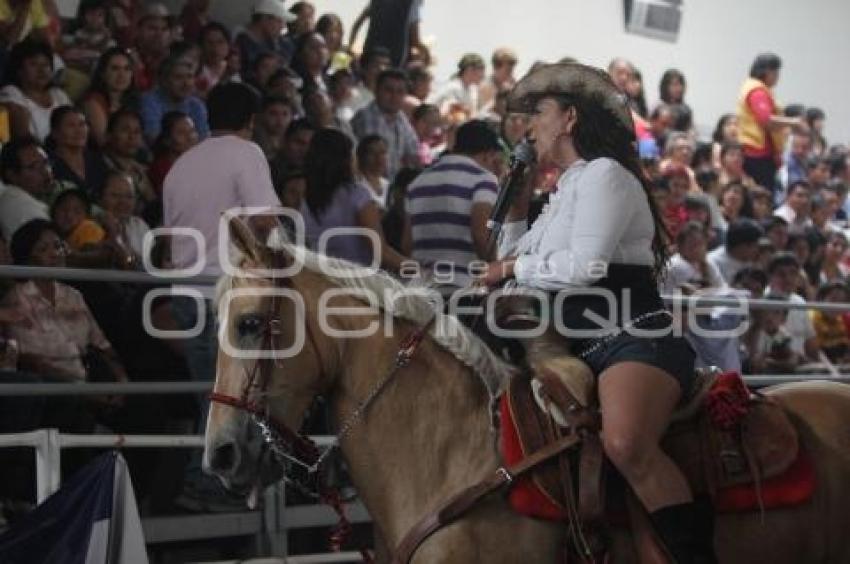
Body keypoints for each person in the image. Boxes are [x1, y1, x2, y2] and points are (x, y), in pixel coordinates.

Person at [481, 63, 715, 562]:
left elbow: (584, 267)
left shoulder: (606, 175)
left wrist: (510, 265)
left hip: (632, 338)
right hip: (577, 348)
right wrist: (519, 208)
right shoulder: (565, 188)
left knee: (627, 443)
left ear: (569, 118)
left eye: (537, 114)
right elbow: (520, 264)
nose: (528, 127)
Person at [163, 81, 281, 510]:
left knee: (210, 394)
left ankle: (213, 485)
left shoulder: (181, 165)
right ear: (251, 120)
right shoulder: (245, 153)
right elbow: (266, 222)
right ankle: (206, 484)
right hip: (227, 293)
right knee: (231, 394)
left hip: (185, 291)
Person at [405, 119, 501, 293]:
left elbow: (407, 243)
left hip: (420, 288)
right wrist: (495, 269)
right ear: (488, 154)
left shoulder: (418, 182)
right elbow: (481, 235)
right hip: (462, 287)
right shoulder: (483, 179)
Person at [301, 127, 409, 271]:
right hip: (359, 282)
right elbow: (381, 252)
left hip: (324, 280)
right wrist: (419, 270)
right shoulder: (357, 195)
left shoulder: (306, 201)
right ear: (345, 160)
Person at [736, 53, 807, 195]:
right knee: (762, 194)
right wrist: (793, 122)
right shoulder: (757, 91)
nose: (777, 76)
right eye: (776, 72)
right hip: (757, 151)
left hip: (760, 151)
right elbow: (765, 120)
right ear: (766, 71)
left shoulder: (758, 89)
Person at [351, 68, 419, 181]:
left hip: (392, 186)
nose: (394, 96)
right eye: (388, 90)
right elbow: (370, 164)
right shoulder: (366, 117)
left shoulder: (401, 118)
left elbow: (412, 153)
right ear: (376, 91)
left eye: (400, 92)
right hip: (368, 185)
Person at [0, 39, 70, 142]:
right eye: (33, 64)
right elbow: (23, 136)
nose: (42, 70)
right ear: (19, 70)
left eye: (46, 65)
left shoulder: (59, 95)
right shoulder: (11, 93)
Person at [139, 56, 209, 144]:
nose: (186, 83)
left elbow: (204, 139)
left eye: (189, 77)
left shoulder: (196, 105)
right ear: (164, 81)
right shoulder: (150, 101)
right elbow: (153, 137)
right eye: (178, 77)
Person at [80, 47, 138, 147]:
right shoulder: (93, 101)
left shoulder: (133, 101)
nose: (122, 75)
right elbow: (103, 142)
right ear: (103, 73)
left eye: (127, 69)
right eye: (115, 69)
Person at [47, 105, 108, 197]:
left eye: (82, 124)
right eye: (71, 126)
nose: (79, 131)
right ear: (55, 132)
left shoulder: (97, 160)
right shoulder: (49, 164)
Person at [0, 136, 51, 240]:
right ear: (12, 175)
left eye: (45, 163)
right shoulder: (18, 204)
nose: (45, 171)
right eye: (33, 167)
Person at [235, 0, 295, 72]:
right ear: (264, 19)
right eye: (279, 21)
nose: (283, 26)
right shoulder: (240, 44)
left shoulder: (276, 43)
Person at [148, 110, 198, 196]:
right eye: (181, 133)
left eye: (192, 131)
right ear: (167, 140)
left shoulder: (200, 164)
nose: (190, 137)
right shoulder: (161, 169)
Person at [431, 53, 487, 120]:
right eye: (481, 70)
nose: (483, 76)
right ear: (470, 70)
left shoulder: (473, 89)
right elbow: (453, 114)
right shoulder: (453, 88)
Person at [194, 21, 231, 99]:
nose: (215, 48)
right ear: (201, 46)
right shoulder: (194, 71)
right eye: (210, 43)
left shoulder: (232, 69)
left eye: (220, 42)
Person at [355, 134, 389, 208]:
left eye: (383, 152)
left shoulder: (388, 186)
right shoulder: (356, 187)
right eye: (372, 153)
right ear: (362, 157)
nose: (379, 158)